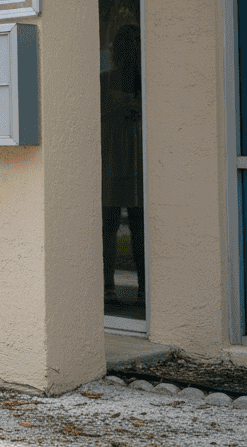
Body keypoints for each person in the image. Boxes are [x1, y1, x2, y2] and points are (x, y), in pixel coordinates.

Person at [101, 23, 145, 305]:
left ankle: (144, 288)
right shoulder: (104, 81)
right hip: (112, 155)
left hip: (137, 156)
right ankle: (106, 287)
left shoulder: (146, 81)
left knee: (140, 224)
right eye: (125, 43)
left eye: (134, 43)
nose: (129, 49)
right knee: (108, 224)